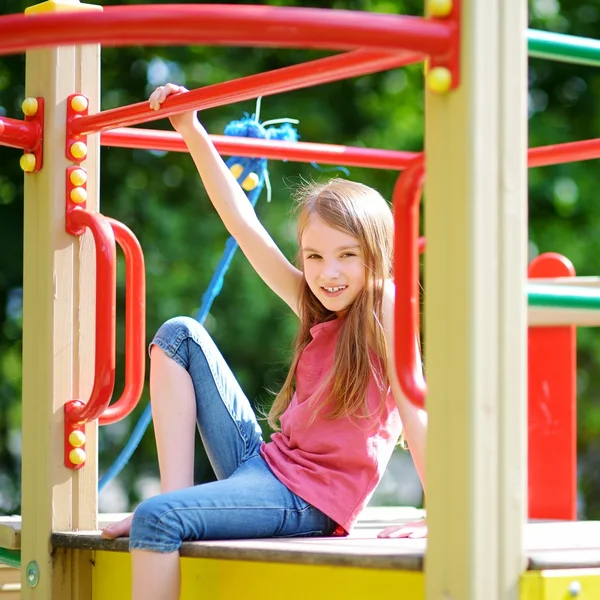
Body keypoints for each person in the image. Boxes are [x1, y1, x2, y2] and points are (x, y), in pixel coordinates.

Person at [101, 84, 428, 600]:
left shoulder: (382, 307)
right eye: (314, 256)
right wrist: (191, 129)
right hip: (266, 467)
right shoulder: (314, 300)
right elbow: (242, 222)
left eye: (347, 255)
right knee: (178, 335)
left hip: (312, 501)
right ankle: (177, 496)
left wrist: (443, 517)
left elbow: (414, 407)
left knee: (157, 522)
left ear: (376, 255)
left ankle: (169, 511)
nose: (328, 272)